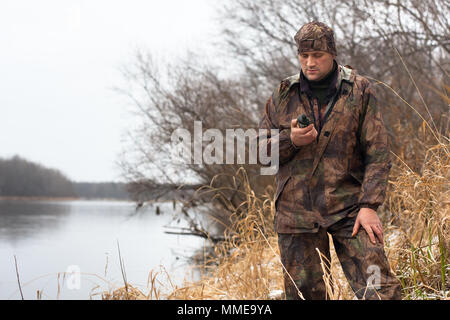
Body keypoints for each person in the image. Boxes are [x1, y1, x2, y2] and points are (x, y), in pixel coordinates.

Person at [258, 21, 402, 300]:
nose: (310, 63)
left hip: (350, 208)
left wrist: (370, 205)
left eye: (318, 56)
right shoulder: (284, 93)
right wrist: (291, 141)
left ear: (333, 54)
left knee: (380, 290)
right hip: (296, 214)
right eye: (304, 56)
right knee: (305, 296)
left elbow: (378, 151)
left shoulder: (359, 90)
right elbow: (261, 153)